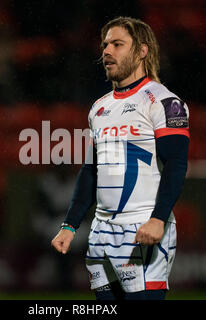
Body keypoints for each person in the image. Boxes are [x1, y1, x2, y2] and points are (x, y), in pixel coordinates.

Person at [51, 16, 190, 300]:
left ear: (142, 50)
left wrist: (158, 219)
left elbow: (176, 163)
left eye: (117, 44)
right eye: (104, 45)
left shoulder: (163, 101)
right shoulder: (99, 108)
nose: (106, 51)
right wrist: (70, 225)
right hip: (101, 233)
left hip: (142, 227)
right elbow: (91, 171)